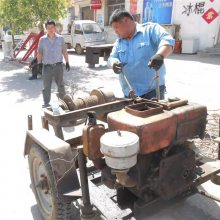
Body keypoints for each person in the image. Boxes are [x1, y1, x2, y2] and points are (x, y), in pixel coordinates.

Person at [108, 10, 174, 100]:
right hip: (130, 93)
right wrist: (113, 63)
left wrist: (160, 55)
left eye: (116, 28)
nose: (115, 32)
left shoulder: (150, 30)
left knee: (156, 114)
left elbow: (168, 40)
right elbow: (112, 57)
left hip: (153, 91)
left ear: (126, 21)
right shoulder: (119, 42)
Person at [37, 19, 70, 108]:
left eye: (52, 27)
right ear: (46, 28)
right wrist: (39, 64)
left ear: (55, 27)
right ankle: (46, 103)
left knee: (60, 85)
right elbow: (39, 53)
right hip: (46, 67)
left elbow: (64, 51)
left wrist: (67, 62)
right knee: (46, 86)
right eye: (48, 27)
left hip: (58, 66)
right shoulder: (42, 40)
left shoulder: (61, 38)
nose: (50, 29)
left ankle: (62, 103)